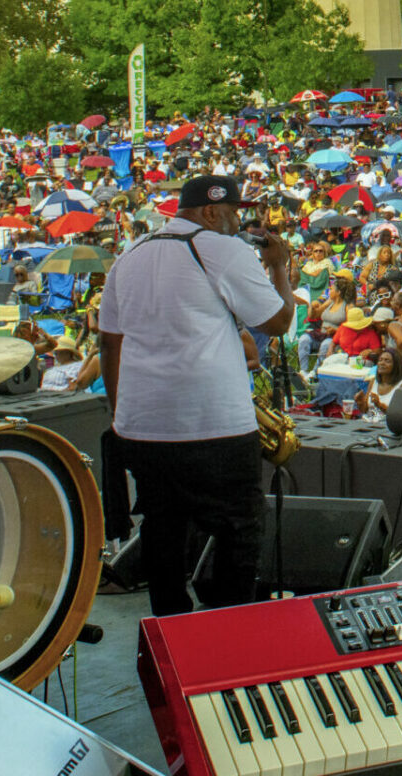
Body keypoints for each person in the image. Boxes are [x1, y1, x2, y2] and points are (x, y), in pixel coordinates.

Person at [99, 174, 295, 617]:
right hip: (215, 429)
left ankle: (172, 634)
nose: (237, 221)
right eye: (232, 212)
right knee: (239, 532)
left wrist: (121, 414)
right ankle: (227, 635)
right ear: (210, 211)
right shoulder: (223, 249)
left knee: (163, 533)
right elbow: (279, 323)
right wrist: (279, 266)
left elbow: (109, 344)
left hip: (142, 431)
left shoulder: (129, 257)